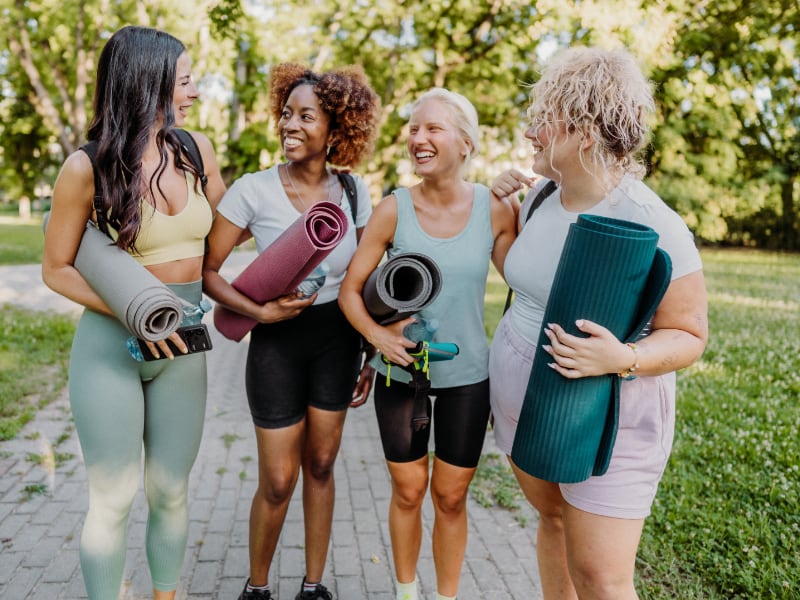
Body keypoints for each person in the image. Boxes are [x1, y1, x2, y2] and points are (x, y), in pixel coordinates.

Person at [488, 46, 709, 599]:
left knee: (602, 581)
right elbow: (527, 277)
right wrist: (496, 210)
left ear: (585, 131)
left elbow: (689, 335)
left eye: (543, 119)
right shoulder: (539, 198)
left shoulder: (653, 221)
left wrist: (625, 359)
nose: (530, 132)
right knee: (553, 523)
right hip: (528, 407)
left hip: (610, 414)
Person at [41, 26, 225, 600]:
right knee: (114, 496)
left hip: (183, 350)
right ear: (148, 83)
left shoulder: (195, 152)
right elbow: (56, 267)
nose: (195, 91)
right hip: (111, 350)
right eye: (186, 80)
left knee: (170, 490)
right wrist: (133, 310)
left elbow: (235, 225)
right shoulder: (85, 167)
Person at [202, 63, 380, 600]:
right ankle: (257, 588)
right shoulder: (253, 191)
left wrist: (370, 352)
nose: (291, 125)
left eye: (307, 116)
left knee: (321, 465)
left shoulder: (353, 193)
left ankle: (313, 586)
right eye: (286, 114)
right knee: (279, 479)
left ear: (336, 129)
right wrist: (259, 313)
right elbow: (208, 272)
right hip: (277, 341)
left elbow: (365, 277)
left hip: (338, 340)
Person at [338, 88, 517, 600]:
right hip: (400, 374)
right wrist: (376, 337)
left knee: (451, 496)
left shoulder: (497, 208)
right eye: (414, 128)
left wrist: (532, 192)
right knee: (410, 490)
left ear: (465, 143)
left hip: (467, 378)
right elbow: (351, 292)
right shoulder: (394, 209)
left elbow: (528, 280)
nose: (418, 138)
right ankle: (406, 593)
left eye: (432, 128)